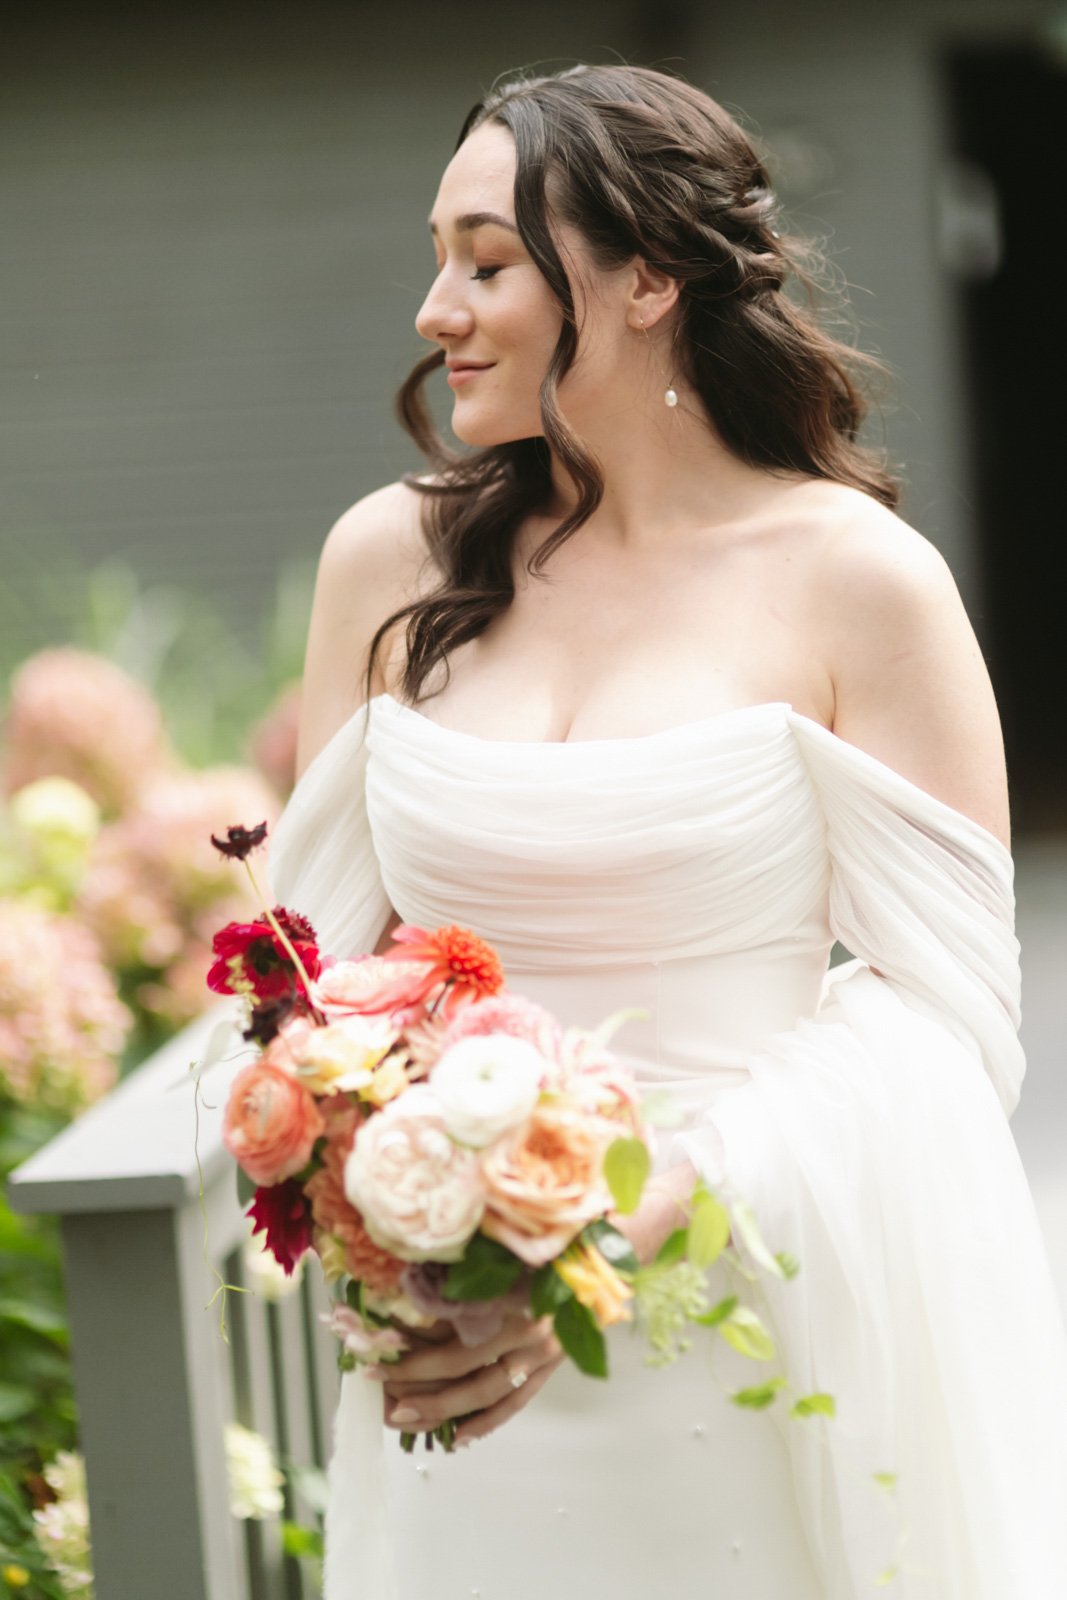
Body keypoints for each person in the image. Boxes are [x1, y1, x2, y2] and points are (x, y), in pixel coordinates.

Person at [267, 63, 1067, 1600]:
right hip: (457, 1349)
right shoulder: (386, 562)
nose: (438, 308)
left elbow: (949, 1012)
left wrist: (640, 1210)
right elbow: (315, 972)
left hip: (738, 1311)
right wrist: (399, 1220)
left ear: (648, 282)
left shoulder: (858, 581)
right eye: (437, 257)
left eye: (488, 262)